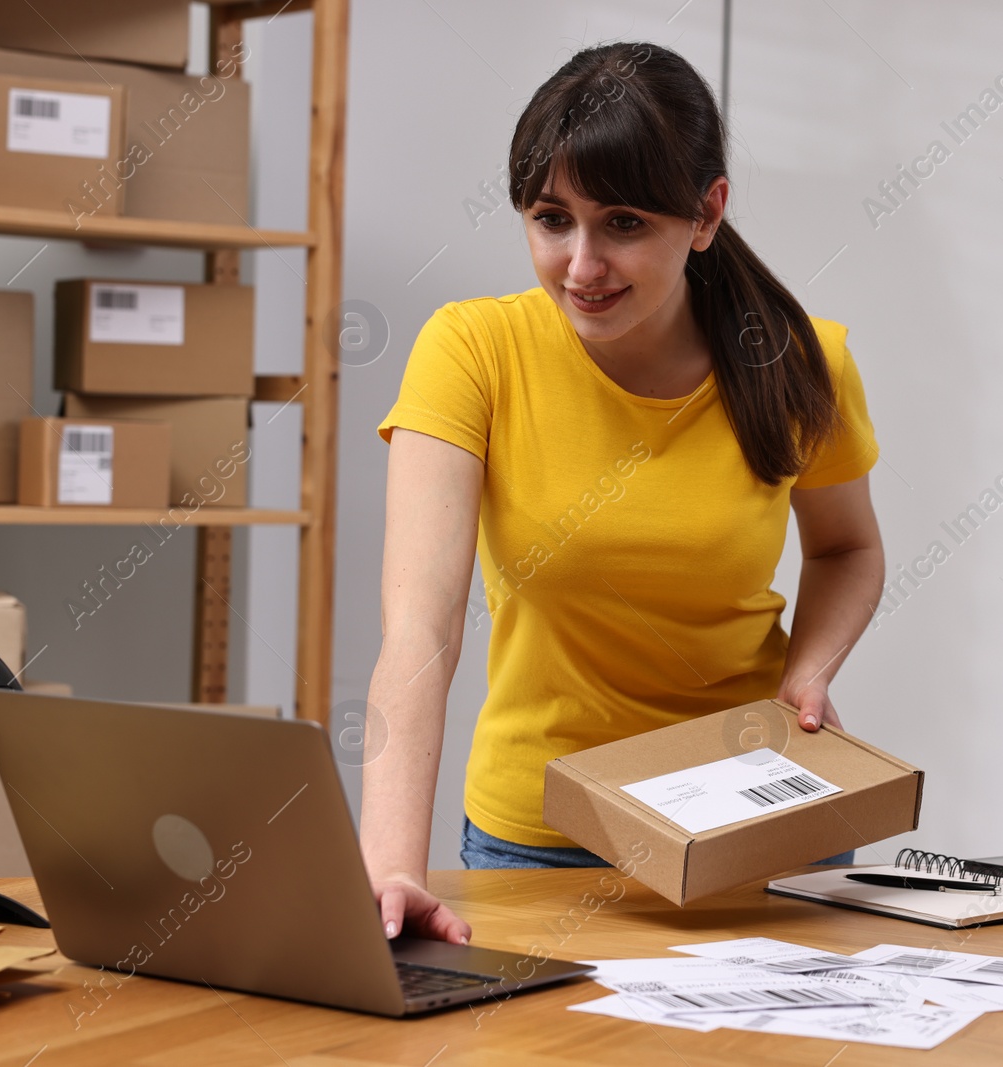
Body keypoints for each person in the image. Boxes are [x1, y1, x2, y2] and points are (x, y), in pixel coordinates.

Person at [361, 41, 884, 945]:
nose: (581, 264)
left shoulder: (801, 361)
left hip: (756, 817)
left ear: (706, 213)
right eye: (551, 218)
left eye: (625, 224)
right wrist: (393, 864)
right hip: (544, 836)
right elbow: (420, 630)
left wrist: (807, 671)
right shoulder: (473, 352)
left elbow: (847, 548)